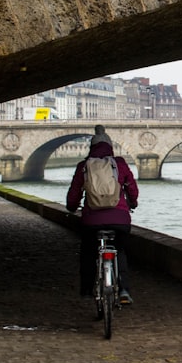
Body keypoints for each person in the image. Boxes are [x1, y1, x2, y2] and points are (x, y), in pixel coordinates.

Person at [66, 130, 139, 305]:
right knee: (119, 250)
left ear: (91, 148)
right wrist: (133, 203)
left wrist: (72, 207)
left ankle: (86, 289)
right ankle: (123, 290)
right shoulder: (119, 164)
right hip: (120, 219)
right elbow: (132, 189)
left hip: (91, 221)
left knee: (88, 252)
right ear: (110, 147)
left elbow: (74, 194)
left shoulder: (83, 166)